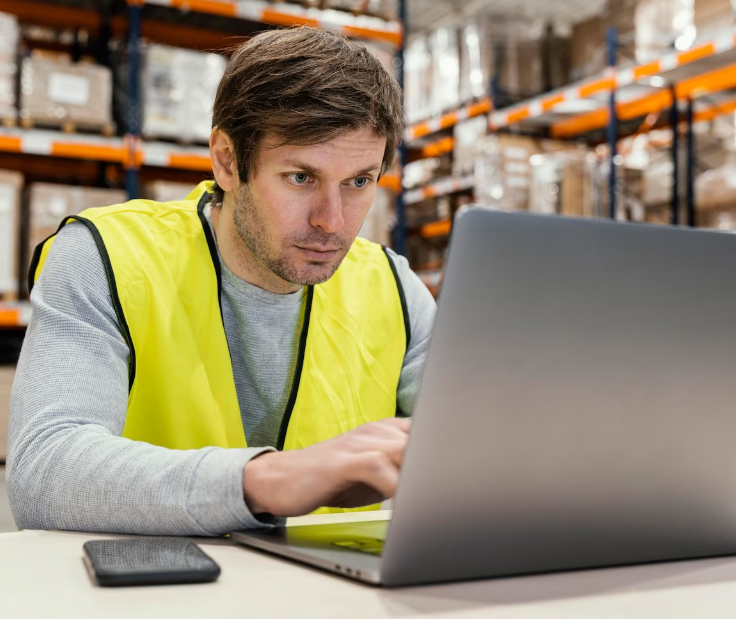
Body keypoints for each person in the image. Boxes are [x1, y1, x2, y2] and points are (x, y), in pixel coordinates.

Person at [6, 27, 436, 536]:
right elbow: (45, 472)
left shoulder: (394, 287)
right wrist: (265, 480)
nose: (333, 221)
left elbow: (478, 445)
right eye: (301, 178)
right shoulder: (105, 258)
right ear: (228, 162)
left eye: (359, 182)